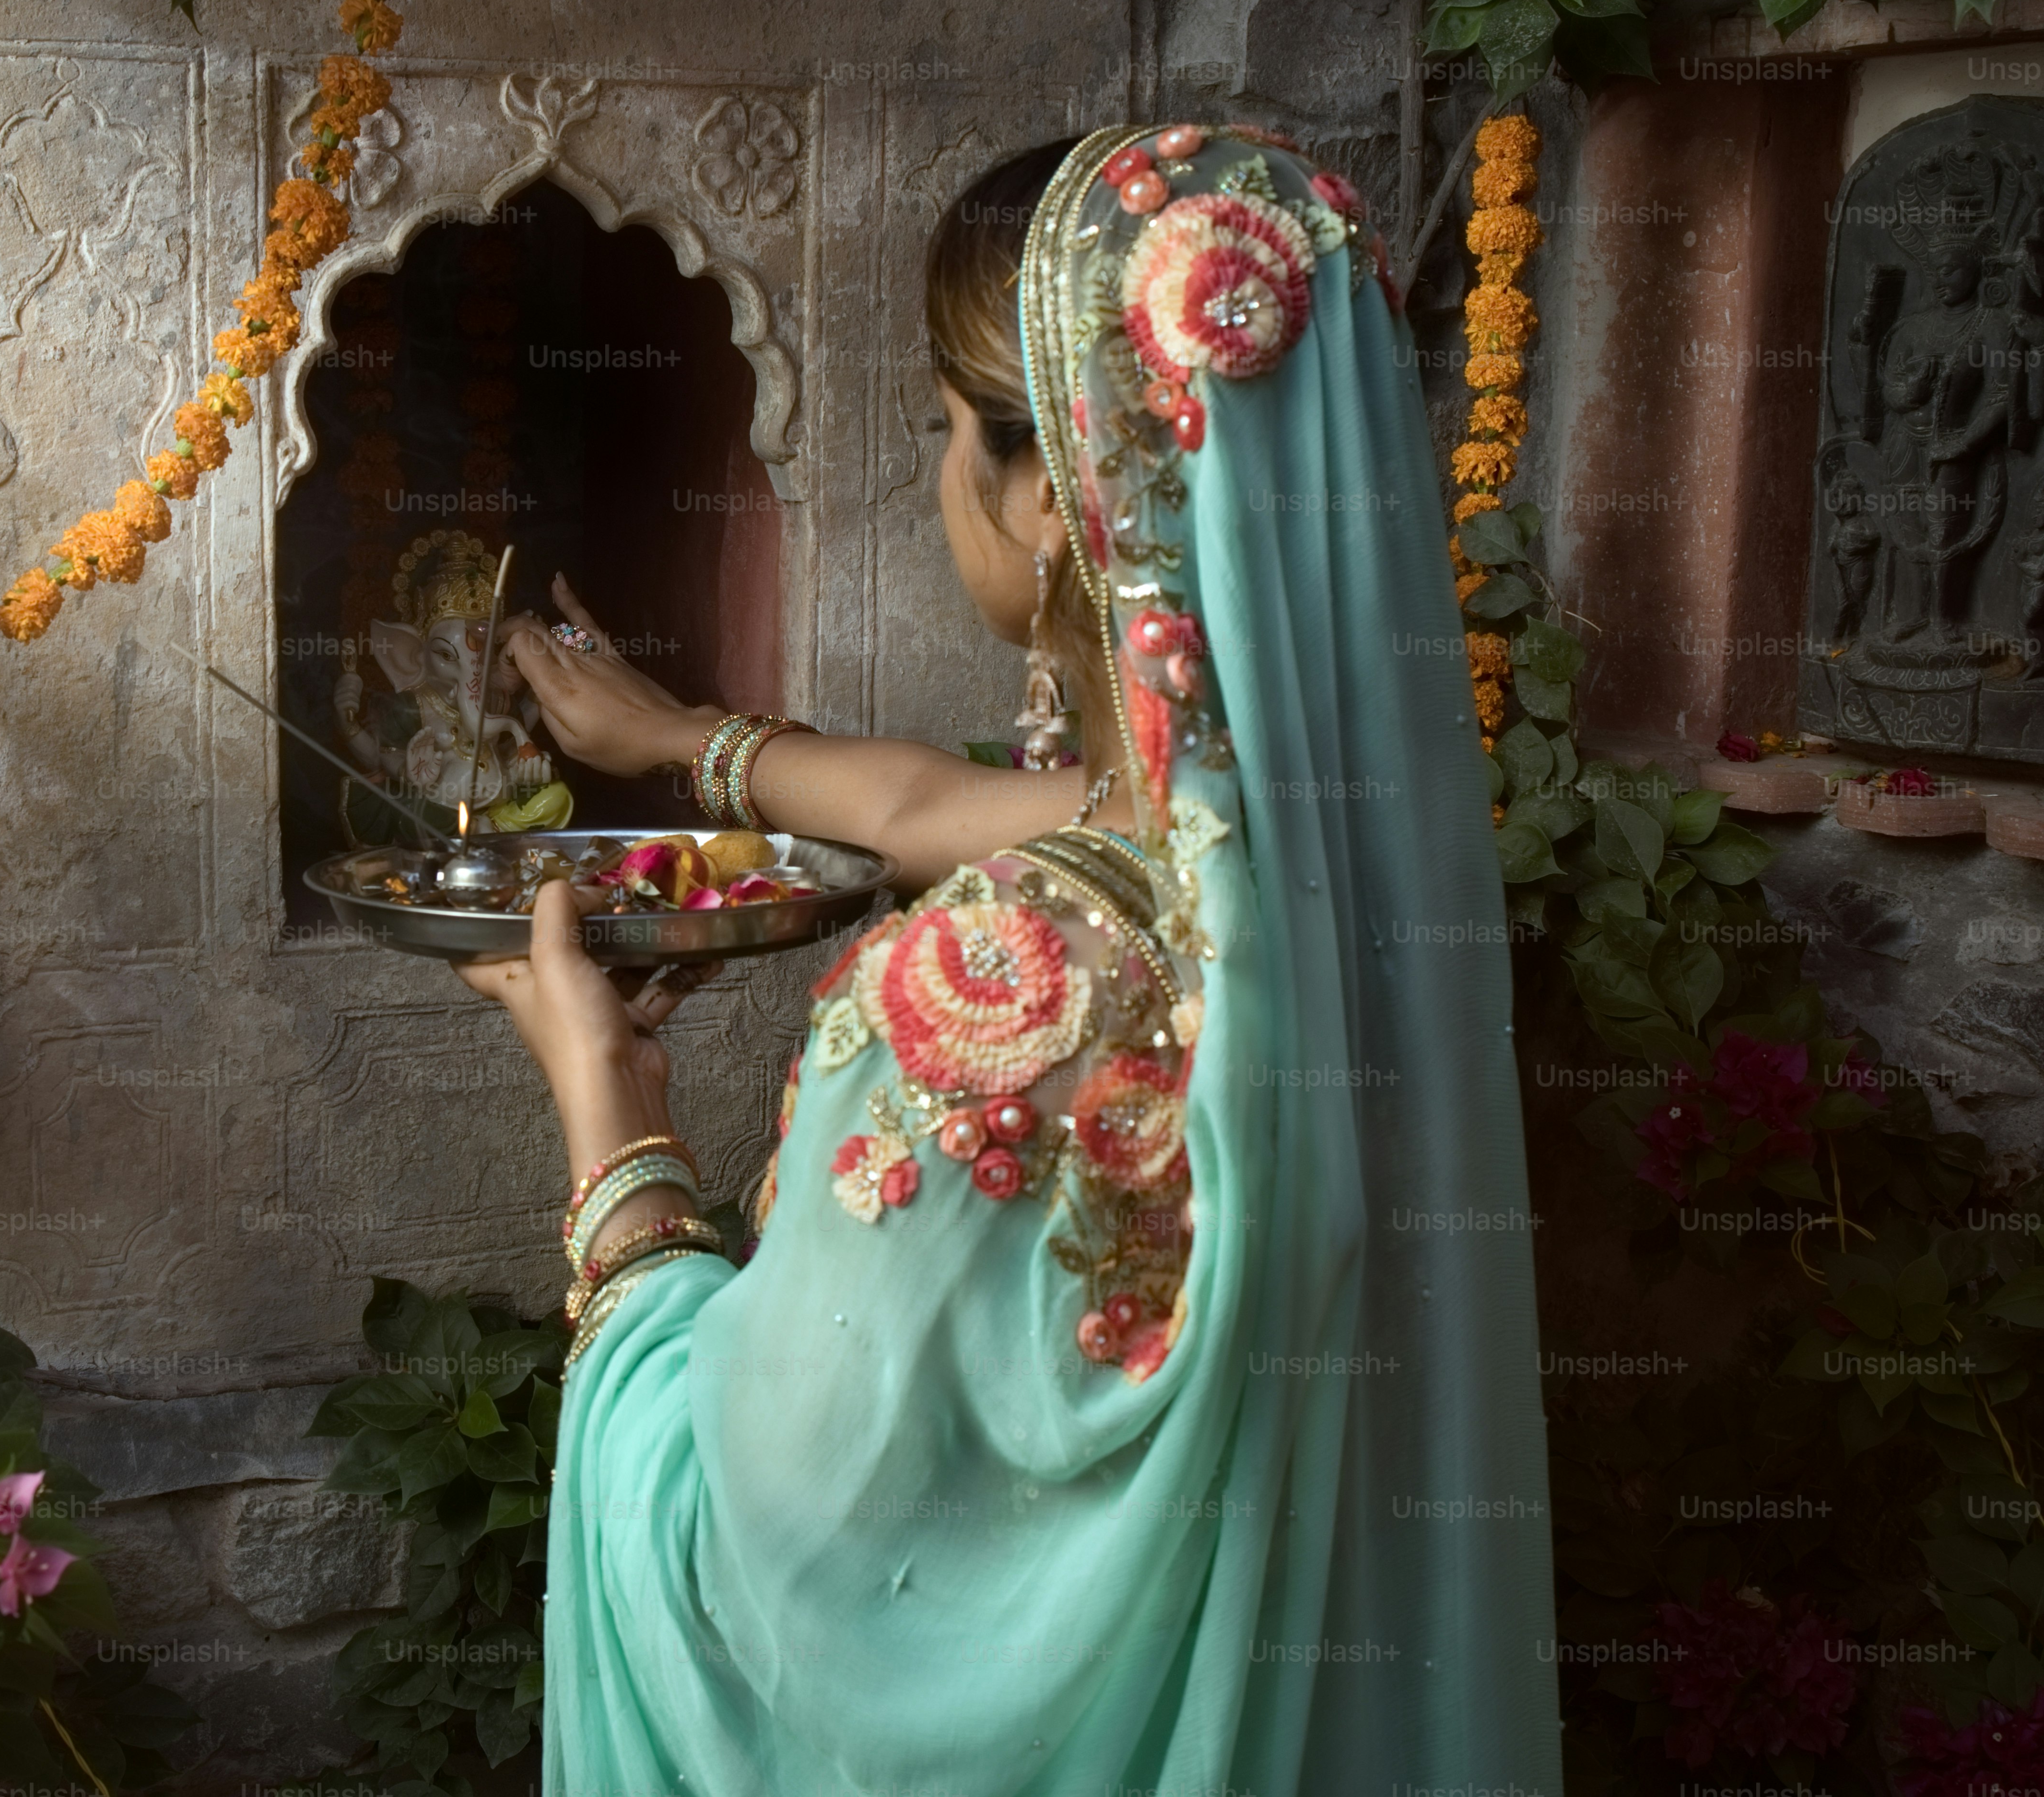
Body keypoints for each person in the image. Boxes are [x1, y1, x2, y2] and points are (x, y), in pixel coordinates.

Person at [461, 125, 1564, 1796]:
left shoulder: (1001, 997)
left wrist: (612, 1137)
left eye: (938, 424)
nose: (932, 469)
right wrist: (683, 739)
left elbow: (756, 1561)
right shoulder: (1344, 877)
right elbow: (933, 802)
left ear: (1051, 486)